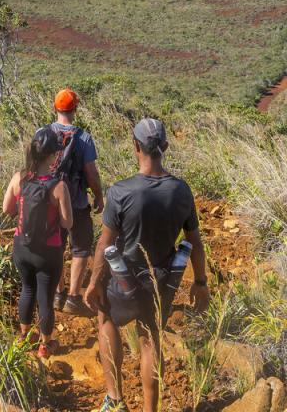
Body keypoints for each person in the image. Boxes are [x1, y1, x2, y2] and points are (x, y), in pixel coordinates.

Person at [84, 118, 210, 412]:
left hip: (124, 281)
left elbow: (104, 244)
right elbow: (194, 241)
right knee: (150, 339)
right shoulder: (181, 190)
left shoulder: (121, 191)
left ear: (136, 147)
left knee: (106, 318)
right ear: (165, 146)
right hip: (163, 280)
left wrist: (94, 283)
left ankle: (115, 400)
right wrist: (200, 282)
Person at [3, 126, 73, 359]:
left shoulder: (19, 178)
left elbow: (6, 209)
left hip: (21, 248)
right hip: (48, 252)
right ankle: (45, 344)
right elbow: (67, 223)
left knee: (27, 289)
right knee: (45, 297)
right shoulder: (58, 187)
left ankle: (24, 336)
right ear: (52, 156)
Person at [47, 87, 104, 315]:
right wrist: (98, 195)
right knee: (80, 247)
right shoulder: (84, 138)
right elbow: (91, 173)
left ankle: (57, 293)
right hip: (77, 203)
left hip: (50, 201)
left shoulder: (43, 133)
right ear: (75, 109)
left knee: (55, 246)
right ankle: (72, 297)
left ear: (55, 107)